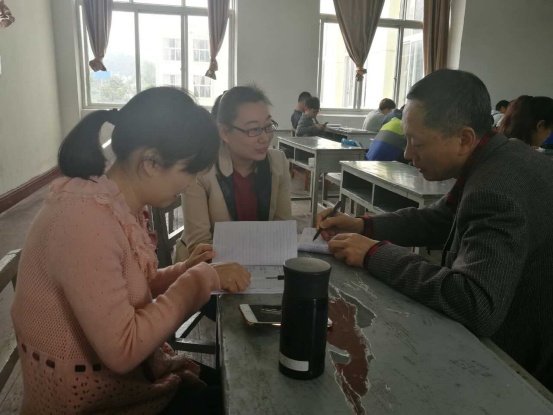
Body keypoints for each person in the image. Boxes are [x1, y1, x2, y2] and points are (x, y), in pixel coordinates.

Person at [11, 87, 251, 415]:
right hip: (94, 403)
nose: (191, 183)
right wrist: (197, 281)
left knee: (240, 385)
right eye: (190, 171)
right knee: (246, 398)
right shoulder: (83, 220)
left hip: (129, 383)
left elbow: (126, 289)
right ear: (150, 162)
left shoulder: (115, 203)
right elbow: (123, 349)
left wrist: (183, 271)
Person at [316, 69, 553, 391]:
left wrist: (374, 254)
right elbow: (441, 219)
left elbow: (474, 302)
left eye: (416, 142)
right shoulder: (498, 155)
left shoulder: (495, 188)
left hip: (522, 370)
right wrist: (363, 225)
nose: (407, 153)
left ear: (464, 139)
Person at [175, 85, 292, 262]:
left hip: (262, 263)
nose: (265, 138)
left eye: (268, 126)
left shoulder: (278, 162)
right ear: (224, 132)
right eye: (253, 129)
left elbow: (281, 228)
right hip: (206, 267)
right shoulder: (201, 169)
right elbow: (199, 246)